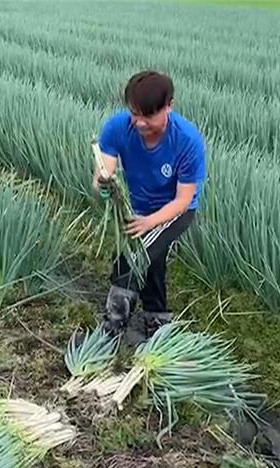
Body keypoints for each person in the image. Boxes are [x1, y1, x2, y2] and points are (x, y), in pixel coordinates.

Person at [93, 70, 206, 338]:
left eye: (149, 115)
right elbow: (102, 173)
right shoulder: (117, 128)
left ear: (169, 106)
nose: (140, 122)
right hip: (139, 208)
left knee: (135, 257)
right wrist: (104, 186)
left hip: (175, 211)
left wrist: (150, 222)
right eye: (135, 113)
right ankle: (156, 320)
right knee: (151, 260)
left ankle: (114, 323)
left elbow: (183, 200)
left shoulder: (187, 141)